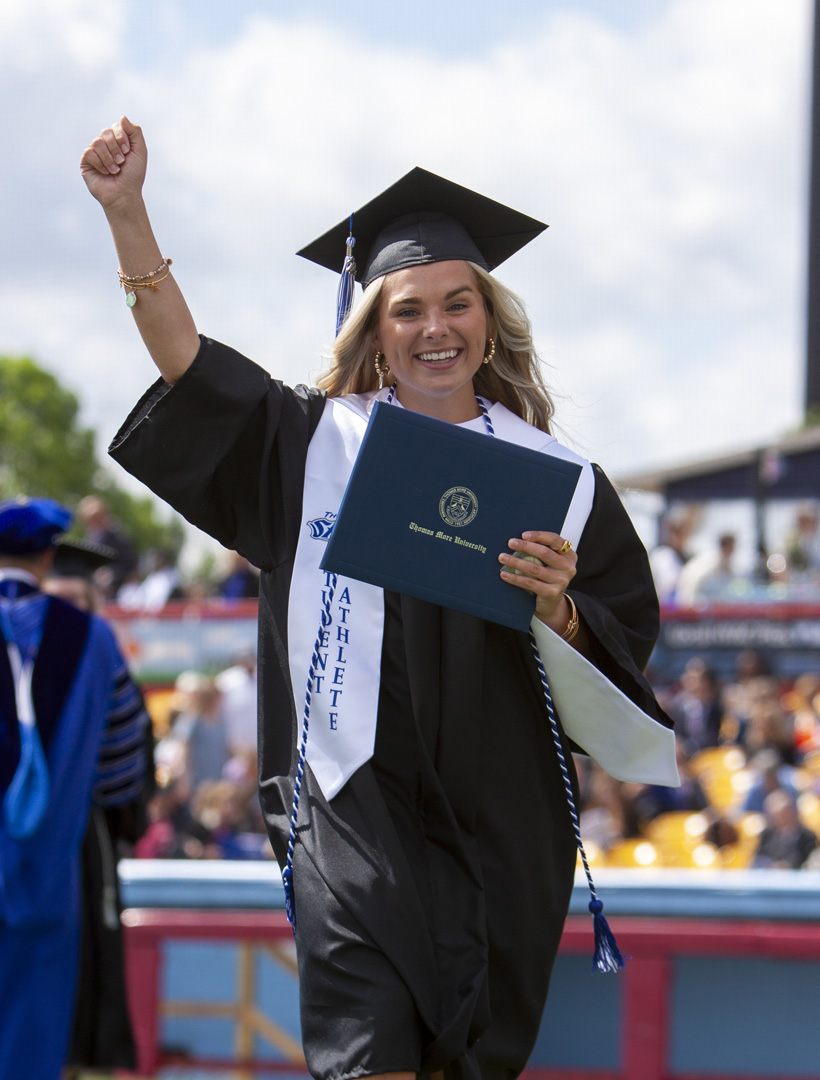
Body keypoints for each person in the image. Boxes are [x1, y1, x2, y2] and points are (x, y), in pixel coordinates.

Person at [81, 117, 678, 1080]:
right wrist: (127, 214)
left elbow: (623, 652)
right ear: (373, 324)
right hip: (349, 798)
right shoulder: (314, 445)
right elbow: (187, 361)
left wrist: (561, 607)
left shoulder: (564, 483)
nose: (434, 328)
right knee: (366, 1055)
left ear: (490, 320)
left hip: (502, 825)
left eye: (457, 304)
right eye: (406, 309)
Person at [0, 497, 149, 1080]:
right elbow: (121, 762)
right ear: (47, 555)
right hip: (51, 877)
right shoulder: (95, 640)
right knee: (32, 1041)